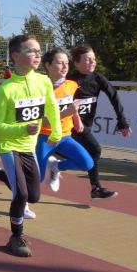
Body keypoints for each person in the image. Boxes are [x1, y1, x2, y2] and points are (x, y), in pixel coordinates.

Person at [0, 34, 61, 258]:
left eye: (38, 50)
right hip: (9, 146)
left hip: (29, 147)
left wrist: (56, 131)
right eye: (31, 51)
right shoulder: (6, 89)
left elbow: (52, 107)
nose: (37, 54)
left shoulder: (43, 81)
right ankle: (16, 236)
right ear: (15, 56)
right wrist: (22, 129)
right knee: (21, 195)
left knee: (33, 196)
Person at [67, 44, 131, 199]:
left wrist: (122, 121)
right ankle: (96, 188)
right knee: (95, 150)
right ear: (76, 63)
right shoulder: (70, 81)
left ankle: (56, 166)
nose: (92, 62)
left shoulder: (98, 78)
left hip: (85, 126)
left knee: (84, 156)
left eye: (94, 59)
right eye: (88, 59)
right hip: (70, 125)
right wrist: (75, 118)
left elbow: (114, 96)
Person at [37, 48, 94, 193]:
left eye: (67, 63)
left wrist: (77, 119)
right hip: (45, 137)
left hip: (65, 137)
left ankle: (56, 167)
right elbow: (39, 122)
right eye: (60, 63)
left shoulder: (72, 85)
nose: (65, 67)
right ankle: (0, 174)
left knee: (87, 163)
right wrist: (65, 114)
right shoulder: (39, 89)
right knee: (37, 178)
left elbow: (71, 104)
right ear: (48, 65)